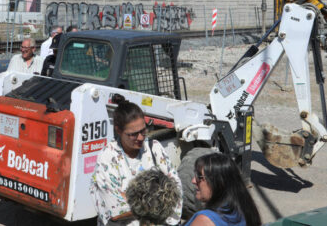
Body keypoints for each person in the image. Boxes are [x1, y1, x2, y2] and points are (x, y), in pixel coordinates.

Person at [90, 95, 182, 226]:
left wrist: (129, 199)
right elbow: (114, 211)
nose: (140, 138)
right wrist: (157, 200)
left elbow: (176, 191)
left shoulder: (154, 148)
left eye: (143, 130)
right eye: (133, 134)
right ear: (118, 130)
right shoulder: (108, 157)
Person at [185, 153, 261, 226]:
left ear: (218, 182)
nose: (193, 180)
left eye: (199, 176)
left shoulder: (205, 220)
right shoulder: (245, 207)